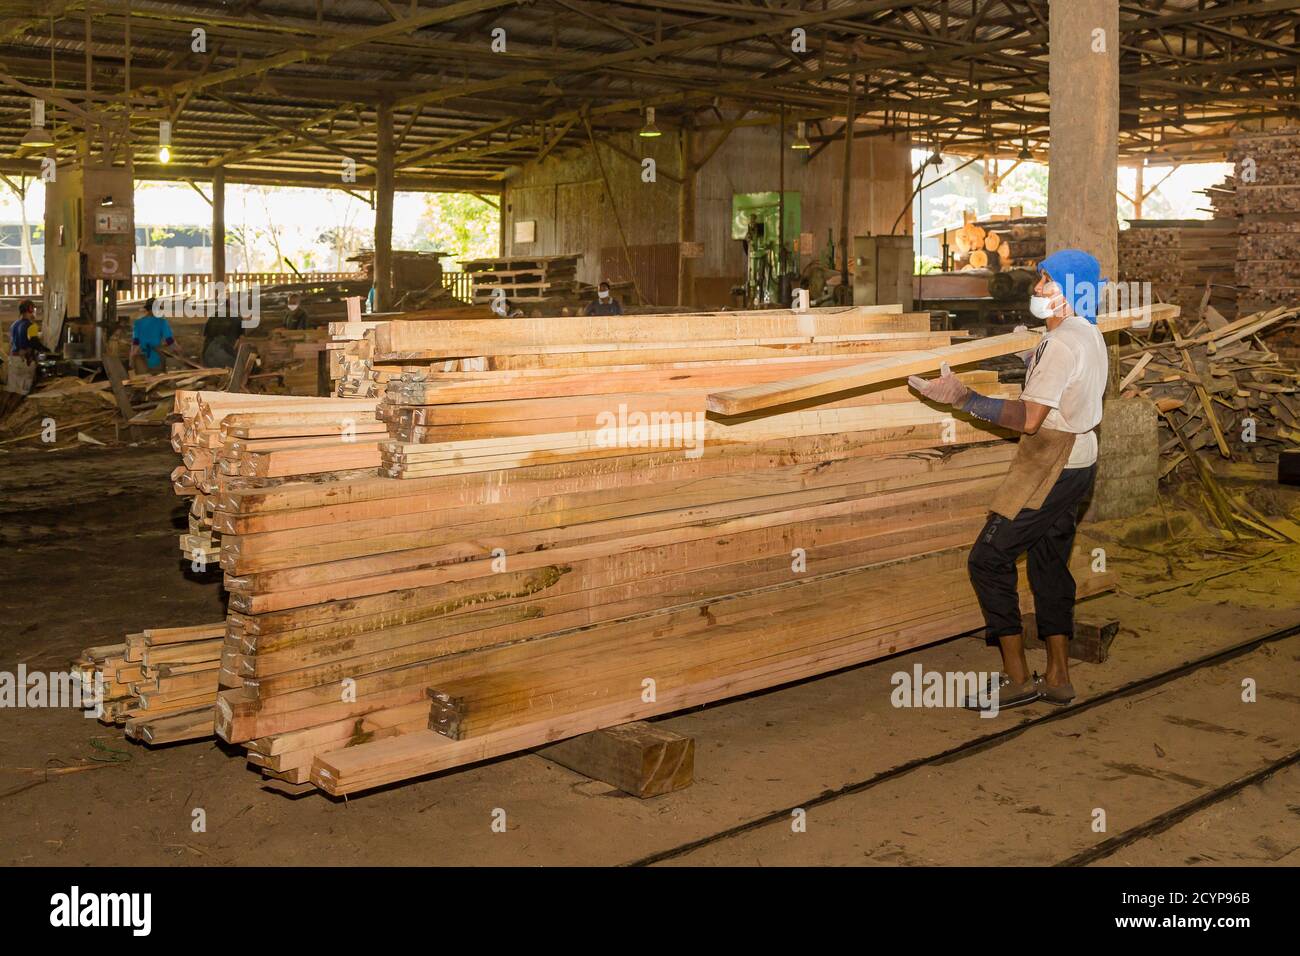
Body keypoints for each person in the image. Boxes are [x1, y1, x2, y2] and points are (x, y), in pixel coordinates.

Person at [908, 248, 1109, 712]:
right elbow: (1066, 375)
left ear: (1071, 291)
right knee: (1048, 563)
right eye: (1039, 280)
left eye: (1047, 282)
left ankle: (1018, 679)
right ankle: (1058, 676)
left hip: (1051, 462)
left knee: (988, 559)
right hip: (1082, 457)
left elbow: (1029, 419)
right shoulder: (1086, 333)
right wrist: (1032, 351)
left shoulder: (1062, 344)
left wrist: (964, 399)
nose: (1036, 289)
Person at [130, 297, 181, 374]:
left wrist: (132, 358)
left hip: (141, 358)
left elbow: (135, 343)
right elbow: (169, 340)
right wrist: (177, 349)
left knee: (142, 380)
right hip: (156, 358)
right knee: (157, 379)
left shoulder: (138, 323)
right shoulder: (162, 322)